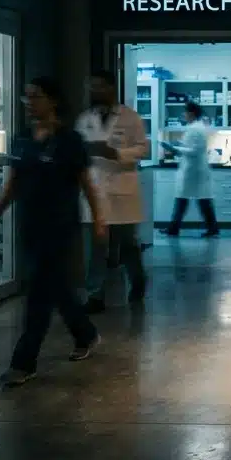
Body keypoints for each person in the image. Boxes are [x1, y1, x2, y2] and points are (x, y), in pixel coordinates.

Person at [0, 76, 104, 387]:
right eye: (26, 97)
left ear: (52, 100)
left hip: (61, 225)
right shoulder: (22, 139)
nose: (28, 103)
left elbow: (86, 184)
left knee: (38, 292)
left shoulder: (69, 140)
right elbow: (12, 183)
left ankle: (24, 361)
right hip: (31, 224)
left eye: (34, 96)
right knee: (58, 288)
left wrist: (99, 220)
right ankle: (86, 333)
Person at [76, 71, 150, 311]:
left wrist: (116, 153)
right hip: (95, 189)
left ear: (111, 88)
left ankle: (138, 281)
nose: (94, 92)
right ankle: (95, 295)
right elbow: (75, 149)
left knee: (127, 244)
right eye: (91, 87)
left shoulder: (131, 118)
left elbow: (143, 149)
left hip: (122, 189)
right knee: (96, 247)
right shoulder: (85, 119)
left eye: (99, 86)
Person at [161, 101, 218, 237]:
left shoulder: (196, 128)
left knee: (190, 199)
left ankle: (174, 228)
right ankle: (175, 228)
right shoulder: (195, 127)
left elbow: (195, 150)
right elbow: (192, 146)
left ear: (191, 114)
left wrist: (175, 149)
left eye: (185, 112)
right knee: (195, 199)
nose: (183, 114)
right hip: (194, 169)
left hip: (194, 170)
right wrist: (179, 146)